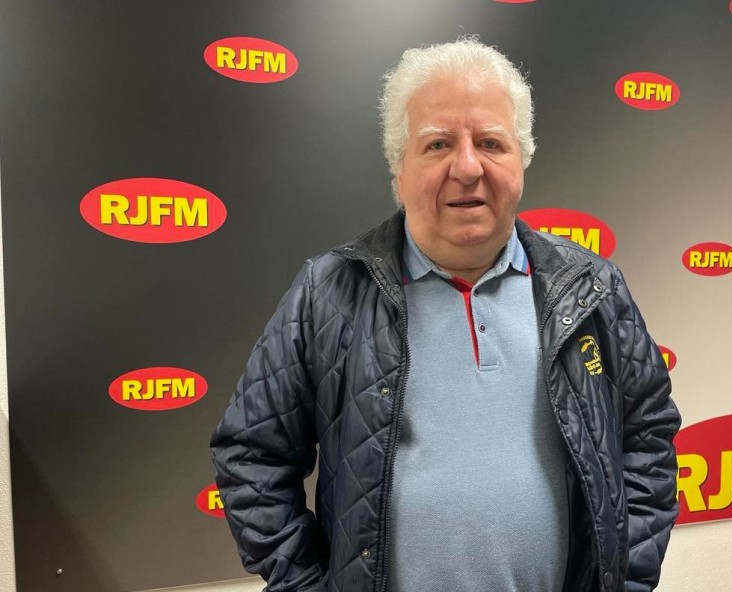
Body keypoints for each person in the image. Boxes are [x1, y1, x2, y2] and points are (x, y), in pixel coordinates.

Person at [211, 37, 681, 592]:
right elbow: (251, 454)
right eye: (437, 144)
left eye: (490, 142)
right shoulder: (329, 293)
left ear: (522, 159)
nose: (467, 167)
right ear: (399, 168)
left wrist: (624, 581)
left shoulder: (591, 289)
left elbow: (647, 440)